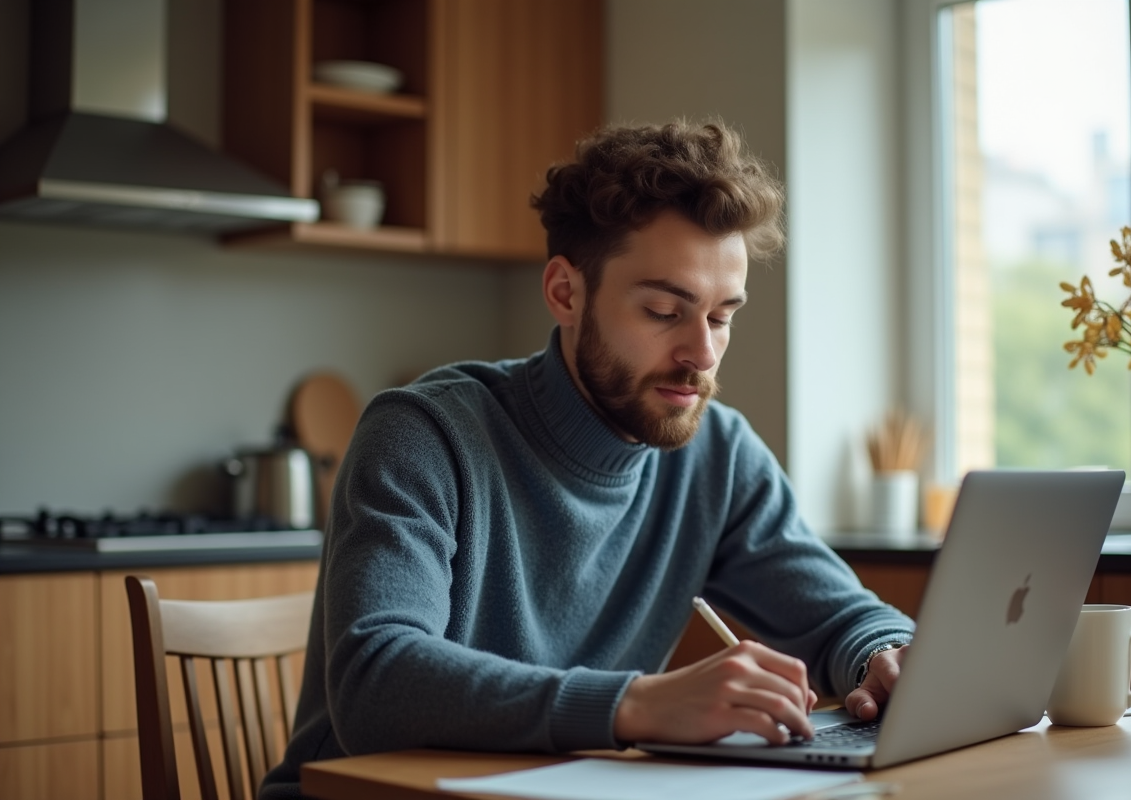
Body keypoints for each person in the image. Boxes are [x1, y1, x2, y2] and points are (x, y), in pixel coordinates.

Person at [260, 120, 914, 800]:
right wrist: (637, 704)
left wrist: (886, 656)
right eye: (664, 310)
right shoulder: (424, 434)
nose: (703, 353)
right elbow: (375, 682)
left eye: (722, 316)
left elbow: (841, 618)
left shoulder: (717, 454)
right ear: (565, 293)